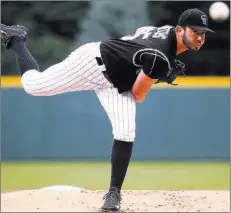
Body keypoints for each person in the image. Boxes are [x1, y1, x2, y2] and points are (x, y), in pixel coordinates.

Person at [1, 8, 213, 212]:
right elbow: (138, 95)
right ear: (180, 30)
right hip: (93, 62)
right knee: (33, 86)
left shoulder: (165, 31)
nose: (200, 37)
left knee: (126, 131)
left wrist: (136, 58)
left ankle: (113, 193)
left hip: (115, 82)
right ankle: (16, 38)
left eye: (203, 33)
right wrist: (155, 75)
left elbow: (142, 29)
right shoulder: (159, 57)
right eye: (195, 31)